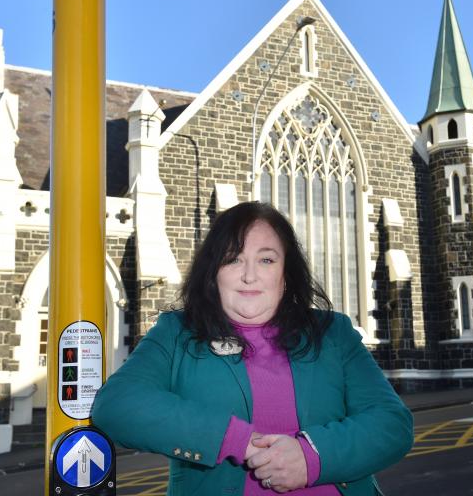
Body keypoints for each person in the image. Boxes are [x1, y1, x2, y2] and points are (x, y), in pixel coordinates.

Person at [92, 201, 413, 495]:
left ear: (286, 274)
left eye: (266, 259)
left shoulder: (333, 332)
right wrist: (237, 441)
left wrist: (312, 456)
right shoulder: (177, 333)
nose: (249, 275)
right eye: (233, 259)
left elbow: (391, 423)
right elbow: (117, 406)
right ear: (213, 273)